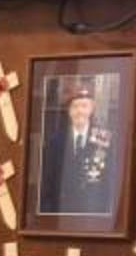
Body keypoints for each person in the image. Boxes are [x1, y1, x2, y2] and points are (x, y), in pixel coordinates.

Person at [34, 76, 123, 223]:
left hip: (93, 213)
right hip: (61, 213)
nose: (79, 111)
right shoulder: (56, 142)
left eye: (84, 106)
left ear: (91, 109)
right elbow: (47, 183)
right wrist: (47, 217)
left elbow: (110, 183)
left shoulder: (103, 142)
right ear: (69, 111)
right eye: (75, 106)